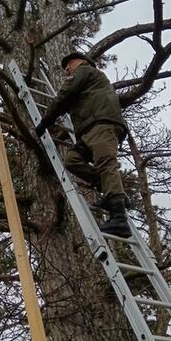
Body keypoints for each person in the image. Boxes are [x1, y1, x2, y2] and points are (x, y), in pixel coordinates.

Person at [34, 51, 131, 238]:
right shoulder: (90, 82)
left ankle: (119, 218)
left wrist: (44, 123)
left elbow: (65, 95)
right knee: (72, 160)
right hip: (90, 130)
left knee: (105, 163)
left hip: (101, 124)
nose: (67, 70)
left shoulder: (86, 71)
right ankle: (112, 192)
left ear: (80, 61)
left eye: (69, 64)